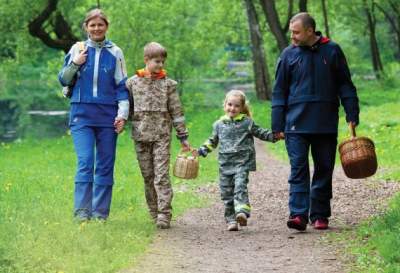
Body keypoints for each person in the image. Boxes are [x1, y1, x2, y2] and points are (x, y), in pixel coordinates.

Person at [271, 12, 360, 231]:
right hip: (295, 124)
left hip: (325, 122)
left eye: (296, 32)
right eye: (291, 31)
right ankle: (299, 214)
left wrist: (352, 113)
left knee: (324, 168)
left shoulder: (332, 50)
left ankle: (320, 214)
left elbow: (345, 85)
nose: (292, 36)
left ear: (310, 31)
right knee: (298, 168)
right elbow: (279, 91)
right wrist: (277, 125)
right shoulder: (288, 54)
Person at [58, 9, 129, 221]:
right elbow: (63, 79)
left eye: (100, 25)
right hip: (81, 115)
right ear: (86, 27)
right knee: (86, 161)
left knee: (106, 164)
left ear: (106, 26)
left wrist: (122, 115)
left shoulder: (116, 52)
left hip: (108, 116)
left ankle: (100, 214)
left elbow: (122, 86)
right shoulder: (77, 49)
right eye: (92, 25)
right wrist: (75, 62)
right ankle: (82, 212)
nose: (96, 28)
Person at [126, 42, 190, 229]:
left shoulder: (168, 85)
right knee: (148, 176)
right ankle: (153, 212)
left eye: (162, 61)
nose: (160, 65)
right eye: (156, 61)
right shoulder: (132, 83)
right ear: (146, 60)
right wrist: (120, 122)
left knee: (161, 176)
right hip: (140, 135)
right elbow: (126, 107)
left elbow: (177, 111)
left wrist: (183, 136)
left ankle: (164, 214)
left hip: (162, 136)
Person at [196, 90, 278, 231]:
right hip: (225, 164)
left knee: (240, 186)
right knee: (226, 193)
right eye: (230, 104)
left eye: (236, 106)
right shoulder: (219, 124)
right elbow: (212, 141)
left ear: (242, 107)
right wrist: (202, 150)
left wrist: (275, 136)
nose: (232, 108)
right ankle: (231, 220)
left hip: (242, 163)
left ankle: (242, 212)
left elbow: (261, 133)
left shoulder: (247, 123)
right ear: (225, 105)